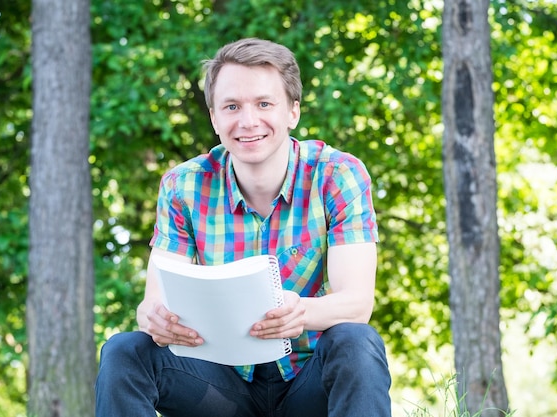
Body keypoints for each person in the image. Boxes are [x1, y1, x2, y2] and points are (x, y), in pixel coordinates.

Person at [95, 37, 392, 417]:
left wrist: (298, 312)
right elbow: (155, 301)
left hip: (308, 381)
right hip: (219, 386)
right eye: (232, 106)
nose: (248, 121)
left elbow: (356, 304)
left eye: (264, 104)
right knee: (124, 351)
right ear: (215, 119)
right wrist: (154, 318)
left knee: (356, 341)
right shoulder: (184, 185)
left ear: (293, 112)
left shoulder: (337, 175)